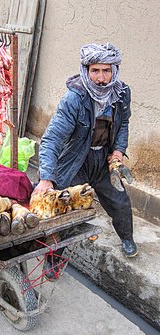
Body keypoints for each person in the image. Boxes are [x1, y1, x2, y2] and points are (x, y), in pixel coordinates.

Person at [32, 43, 138, 279]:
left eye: (107, 71)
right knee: (65, 210)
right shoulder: (74, 98)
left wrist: (118, 151)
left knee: (120, 201)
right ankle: (53, 258)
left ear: (115, 71)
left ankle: (127, 238)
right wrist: (47, 178)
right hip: (76, 160)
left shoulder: (121, 94)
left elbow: (124, 125)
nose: (101, 78)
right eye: (95, 71)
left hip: (104, 161)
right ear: (86, 70)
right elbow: (52, 139)